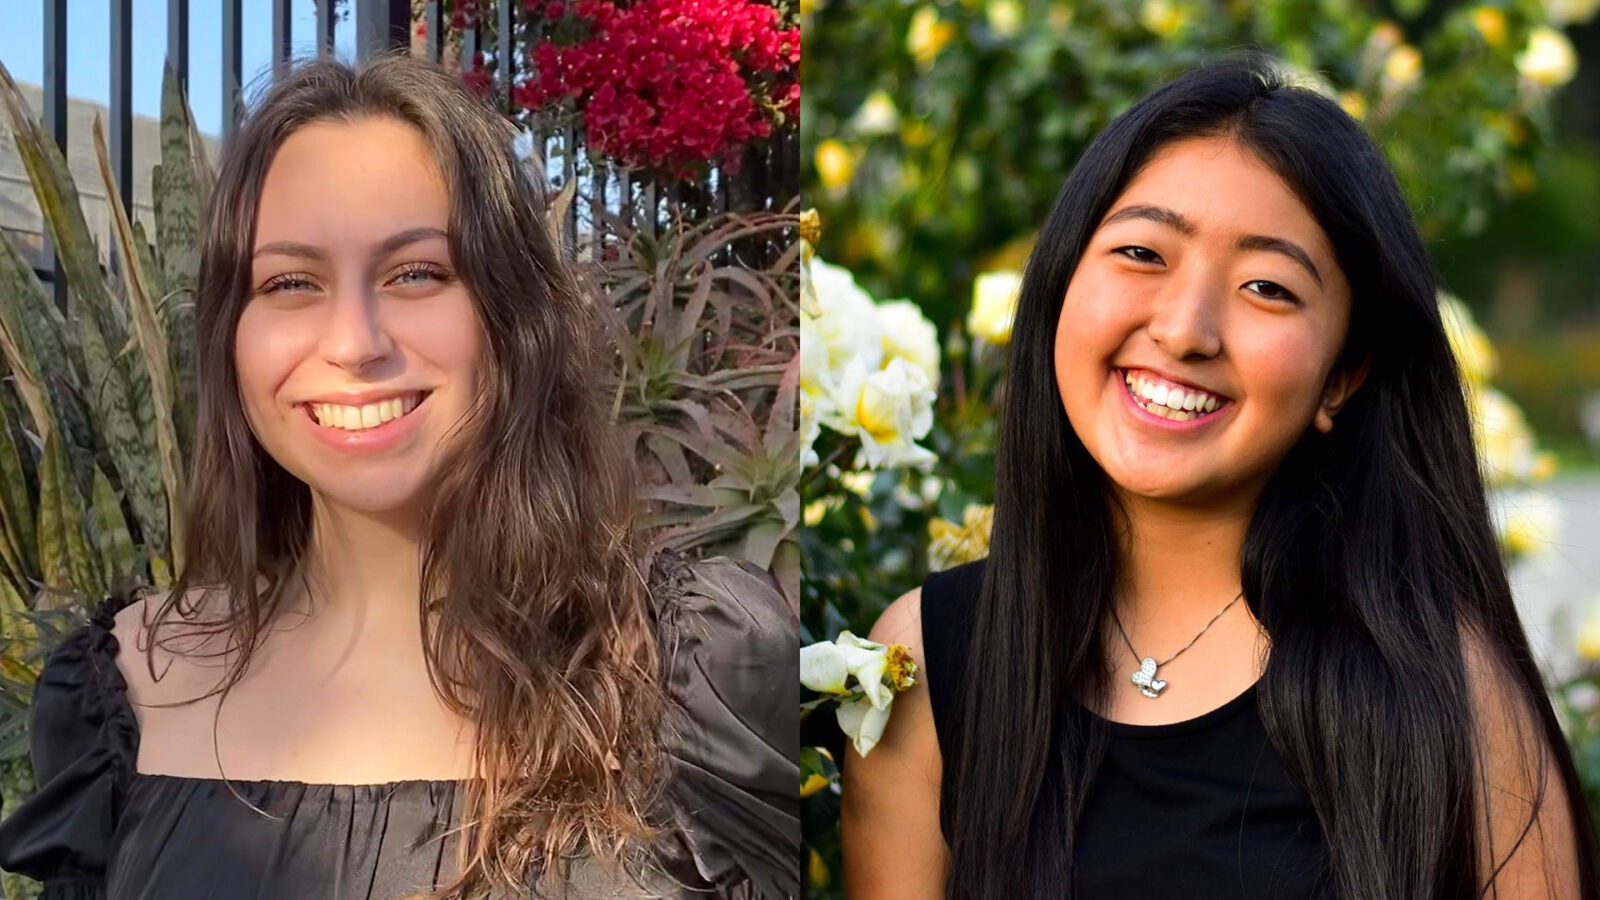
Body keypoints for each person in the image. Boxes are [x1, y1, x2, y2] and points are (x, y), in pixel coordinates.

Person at [0, 54, 797, 900]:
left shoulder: (699, 676)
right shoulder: (123, 697)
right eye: (291, 282)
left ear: (510, 315)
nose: (353, 341)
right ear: (232, 336)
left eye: (416, 272)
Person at [842, 54, 1597, 899]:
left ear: (1342, 375)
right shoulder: (924, 669)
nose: (1186, 328)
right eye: (1141, 251)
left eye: (1267, 287)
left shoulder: (1449, 702)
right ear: (1060, 285)